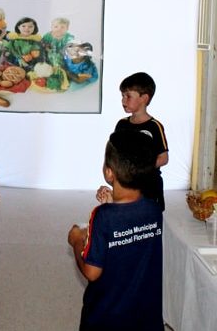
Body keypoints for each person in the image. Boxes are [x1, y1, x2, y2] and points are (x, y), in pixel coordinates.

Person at [68, 130, 163, 331]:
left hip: (106, 319)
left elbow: (92, 272)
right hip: (146, 318)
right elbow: (132, 238)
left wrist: (76, 240)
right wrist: (114, 203)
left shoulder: (103, 216)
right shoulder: (154, 210)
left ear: (109, 172)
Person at [97, 72, 168, 210]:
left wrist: (139, 168)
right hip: (126, 183)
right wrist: (110, 170)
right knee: (126, 213)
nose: (123, 100)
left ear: (144, 98)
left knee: (148, 215)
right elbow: (113, 153)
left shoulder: (154, 126)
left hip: (150, 185)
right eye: (122, 96)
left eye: (128, 96)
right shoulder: (121, 125)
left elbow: (164, 158)